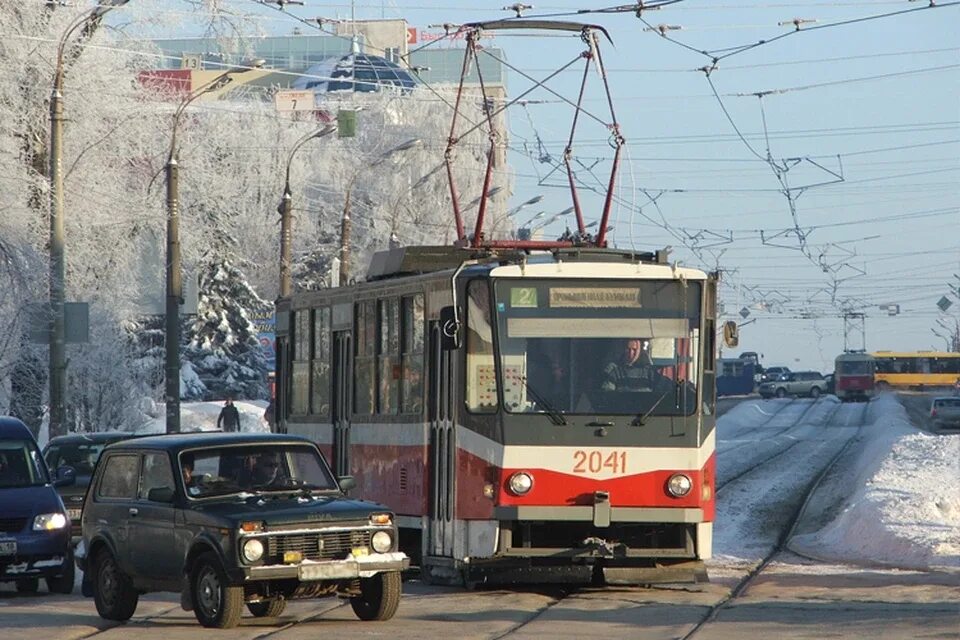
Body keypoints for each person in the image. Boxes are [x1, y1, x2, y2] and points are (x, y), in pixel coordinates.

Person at [601, 338, 669, 392]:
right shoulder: (616, 372)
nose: (631, 353)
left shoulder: (649, 372)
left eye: (634, 349)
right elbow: (608, 393)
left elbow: (667, 388)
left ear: (639, 350)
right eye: (628, 349)